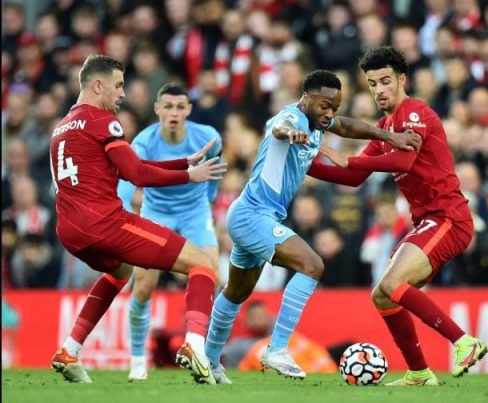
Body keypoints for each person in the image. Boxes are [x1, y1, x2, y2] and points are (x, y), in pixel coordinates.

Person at [203, 69, 422, 382]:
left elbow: (345, 125)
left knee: (236, 292)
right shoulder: (291, 118)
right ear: (305, 98)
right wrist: (291, 133)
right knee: (312, 265)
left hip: (254, 215)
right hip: (253, 216)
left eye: (334, 107)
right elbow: (279, 128)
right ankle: (278, 348)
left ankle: (209, 362)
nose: (329, 113)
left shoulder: (319, 120)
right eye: (324, 106)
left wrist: (389, 136)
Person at [314, 47, 488, 386]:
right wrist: (306, 166)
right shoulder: (384, 126)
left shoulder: (414, 112)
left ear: (402, 80)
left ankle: (464, 342)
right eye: (372, 84)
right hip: (428, 221)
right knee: (382, 294)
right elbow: (354, 178)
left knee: (392, 285)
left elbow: (402, 161)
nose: (379, 90)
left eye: (385, 81)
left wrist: (348, 158)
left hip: (448, 217)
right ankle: (419, 372)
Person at [49, 54, 227, 385]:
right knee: (204, 264)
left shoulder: (62, 126)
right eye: (118, 85)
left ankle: (69, 349)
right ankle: (194, 345)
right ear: (98, 85)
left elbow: (129, 165)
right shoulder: (103, 121)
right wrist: (189, 175)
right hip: (105, 224)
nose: (122, 93)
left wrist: (183, 162)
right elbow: (137, 174)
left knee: (120, 272)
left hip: (70, 230)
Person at [116, 83, 223, 382]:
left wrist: (210, 199)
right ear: (157, 109)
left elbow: (216, 167)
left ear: (188, 110)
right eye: (168, 107)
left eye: (179, 107)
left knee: (211, 276)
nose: (174, 113)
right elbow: (126, 184)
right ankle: (138, 360)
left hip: (195, 214)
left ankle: (205, 356)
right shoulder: (143, 143)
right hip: (156, 214)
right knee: (143, 287)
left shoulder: (208, 137)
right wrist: (122, 214)